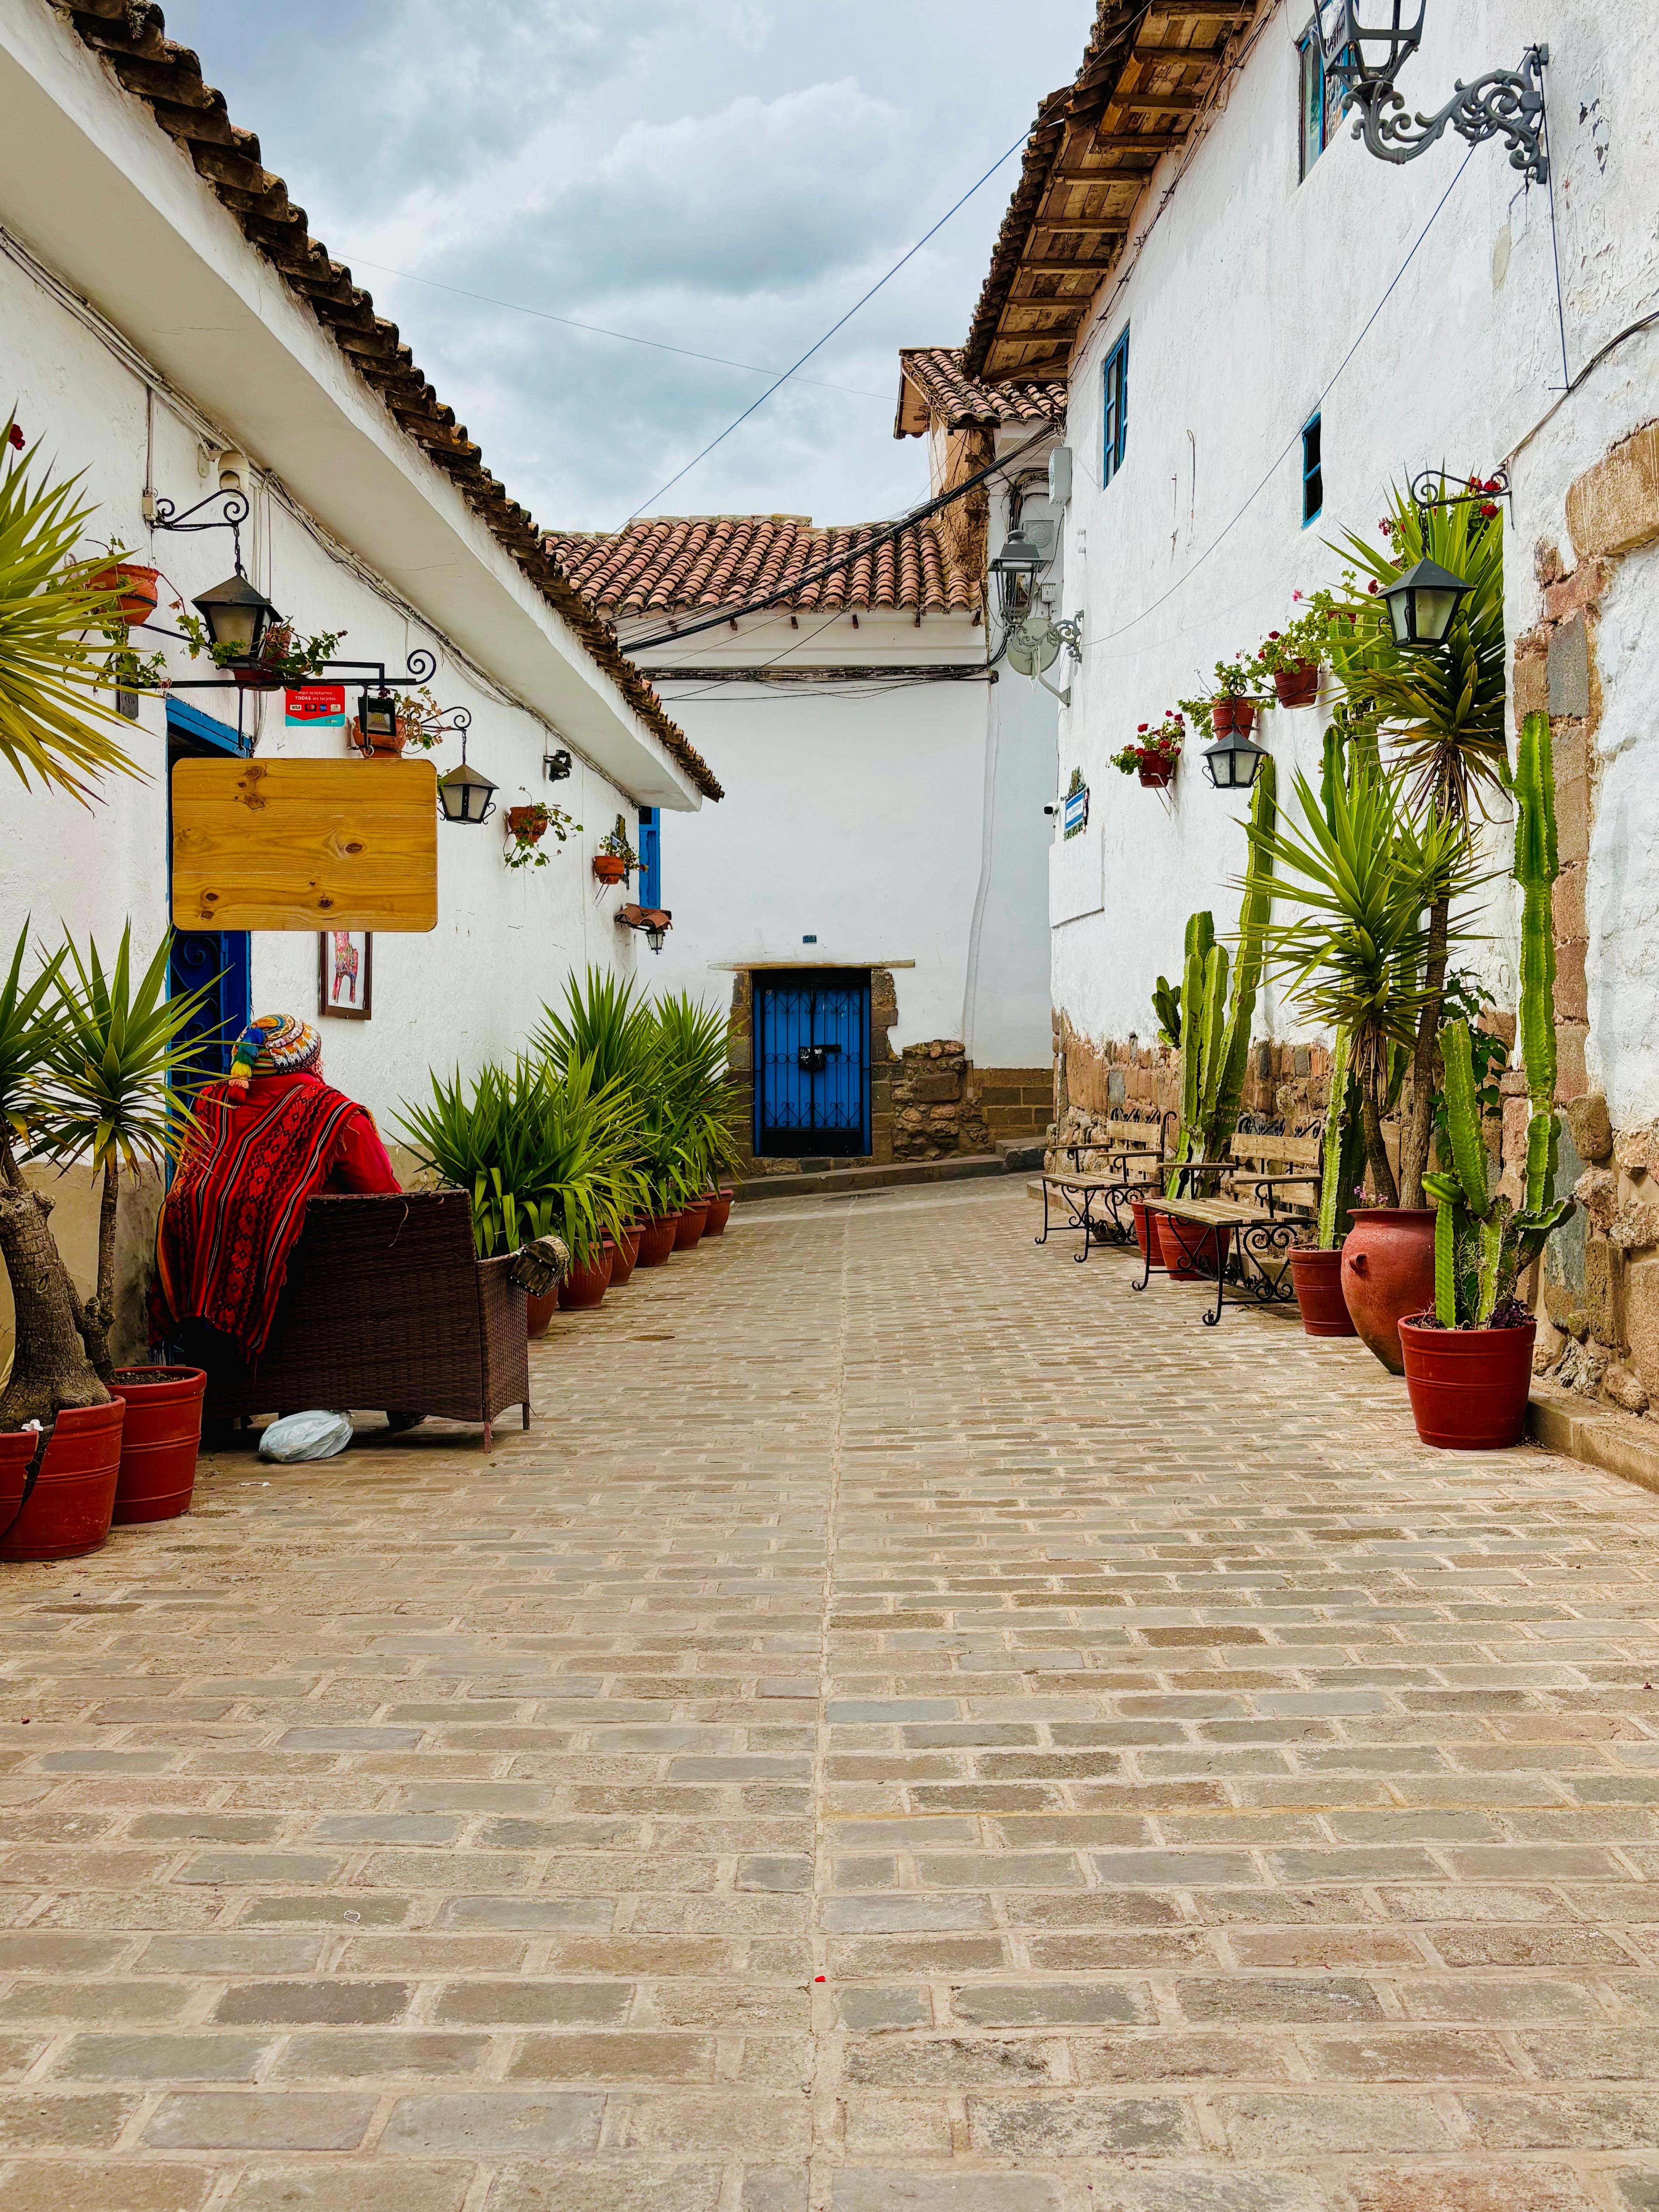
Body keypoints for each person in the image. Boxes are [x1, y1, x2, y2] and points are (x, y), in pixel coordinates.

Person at [152, 1013, 400, 1365]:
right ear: (311, 1062)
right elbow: (387, 1198)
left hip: (198, 1303)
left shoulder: (210, 1104)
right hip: (306, 1295)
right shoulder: (334, 1114)